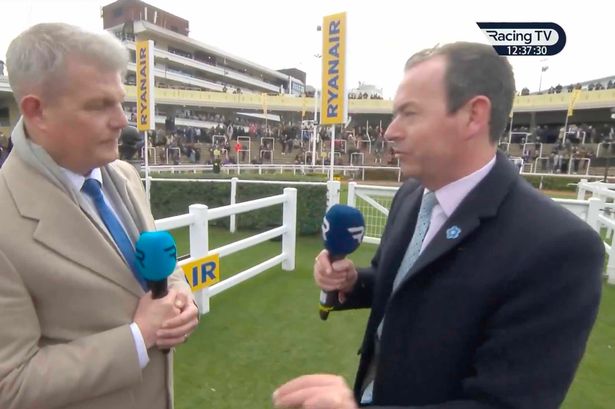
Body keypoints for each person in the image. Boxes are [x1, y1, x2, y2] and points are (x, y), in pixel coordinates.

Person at [273, 42, 604, 409]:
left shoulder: (560, 247)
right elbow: (397, 281)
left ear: (473, 116)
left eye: (409, 114)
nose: (390, 132)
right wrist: (354, 281)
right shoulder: (412, 195)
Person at [0, 23, 199, 409]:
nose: (122, 120)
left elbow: (157, 262)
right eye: (99, 105)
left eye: (120, 101)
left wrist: (180, 297)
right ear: (36, 111)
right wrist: (139, 336)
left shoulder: (123, 175)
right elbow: (12, 384)